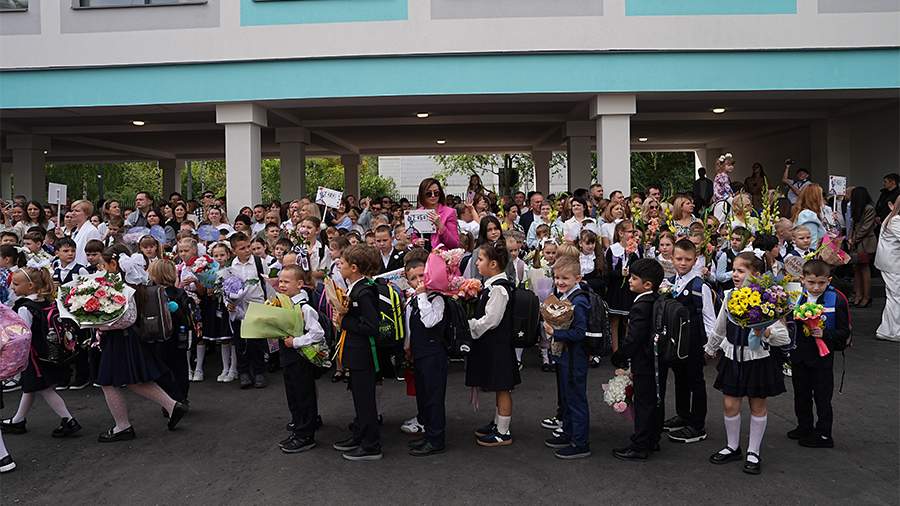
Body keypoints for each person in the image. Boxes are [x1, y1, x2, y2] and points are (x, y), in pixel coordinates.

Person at [705, 252, 790, 474]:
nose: (735, 274)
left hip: (757, 359)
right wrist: (710, 348)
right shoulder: (729, 296)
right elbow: (720, 326)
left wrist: (766, 332)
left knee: (757, 405)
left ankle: (754, 451)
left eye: (741, 271)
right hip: (733, 357)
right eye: (734, 270)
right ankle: (732, 446)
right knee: (729, 404)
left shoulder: (768, 299)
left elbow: (784, 337)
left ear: (757, 275)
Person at [94, 246, 188, 442]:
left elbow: (127, 319)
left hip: (121, 339)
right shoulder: (135, 285)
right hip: (129, 339)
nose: (101, 269)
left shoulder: (123, 288)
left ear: (113, 264)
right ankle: (172, 406)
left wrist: (99, 324)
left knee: (107, 381)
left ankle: (122, 426)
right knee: (135, 379)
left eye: (103, 265)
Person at [0, 268, 82, 439]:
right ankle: (18, 420)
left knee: (44, 388)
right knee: (31, 387)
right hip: (47, 353)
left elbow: (22, 334)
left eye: (16, 284)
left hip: (33, 357)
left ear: (30, 286)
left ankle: (69, 420)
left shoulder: (24, 308)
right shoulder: (45, 301)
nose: (12, 287)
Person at [661, 240, 717, 444]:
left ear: (695, 260)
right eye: (679, 259)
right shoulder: (669, 282)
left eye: (687, 259)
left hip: (694, 342)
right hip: (676, 343)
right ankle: (683, 415)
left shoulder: (699, 286)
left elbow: (709, 318)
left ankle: (697, 425)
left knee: (695, 381)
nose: (683, 263)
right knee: (680, 378)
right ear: (672, 259)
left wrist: (710, 347)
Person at [790, 260, 850, 448]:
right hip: (800, 353)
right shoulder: (795, 296)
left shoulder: (836, 299)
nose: (816, 287)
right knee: (801, 393)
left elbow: (844, 331)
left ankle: (824, 433)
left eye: (821, 283)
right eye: (811, 282)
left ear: (829, 281)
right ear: (802, 279)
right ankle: (804, 426)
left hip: (822, 357)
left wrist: (825, 334)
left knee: (822, 396)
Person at [331, 244, 383, 461]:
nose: (338, 264)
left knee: (365, 400)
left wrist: (344, 322)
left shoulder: (364, 292)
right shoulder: (356, 288)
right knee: (358, 397)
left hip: (363, 353)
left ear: (354, 268)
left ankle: (371, 445)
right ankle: (360, 434)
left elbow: (371, 325)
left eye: (342, 262)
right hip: (356, 352)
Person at [467, 239, 520, 447]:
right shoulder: (493, 286)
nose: (477, 263)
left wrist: (471, 326)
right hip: (495, 346)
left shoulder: (499, 289)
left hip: (500, 347)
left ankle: (503, 432)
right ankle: (498, 423)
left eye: (480, 259)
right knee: (499, 386)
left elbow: (491, 320)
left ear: (493, 264)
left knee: (503, 387)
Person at [610, 258, 663, 460]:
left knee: (643, 403)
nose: (630, 281)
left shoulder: (641, 305)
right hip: (655, 359)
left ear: (647, 284)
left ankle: (640, 445)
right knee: (654, 399)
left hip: (643, 360)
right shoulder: (656, 299)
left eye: (634, 278)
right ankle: (652, 438)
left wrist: (620, 356)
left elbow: (634, 337)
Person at [542, 256, 592, 459]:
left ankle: (580, 443)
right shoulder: (565, 296)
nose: (560, 282)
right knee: (567, 397)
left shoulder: (578, 301)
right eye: (557, 277)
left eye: (565, 278)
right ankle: (569, 433)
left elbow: (580, 333)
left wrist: (555, 332)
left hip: (574, 357)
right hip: (566, 356)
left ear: (577, 278)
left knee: (576, 399)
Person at [277, 265, 325, 454]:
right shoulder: (284, 304)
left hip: (301, 358)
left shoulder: (304, 308)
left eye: (286, 282)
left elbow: (317, 333)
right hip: (288, 358)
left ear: (299, 284)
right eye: (280, 281)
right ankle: (298, 428)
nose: (282, 285)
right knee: (293, 395)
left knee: (304, 395)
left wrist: (296, 342)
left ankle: (306, 434)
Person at [404, 258, 448, 456]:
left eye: (422, 275)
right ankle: (428, 433)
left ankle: (436, 439)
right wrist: (407, 346)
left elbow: (430, 321)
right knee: (423, 396)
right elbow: (409, 326)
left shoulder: (437, 299)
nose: (419, 281)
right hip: (419, 354)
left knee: (434, 398)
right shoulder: (413, 300)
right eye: (413, 278)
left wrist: (422, 296)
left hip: (434, 355)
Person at [227, 232, 270, 389]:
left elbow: (267, 284)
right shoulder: (230, 266)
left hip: (256, 305)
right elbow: (225, 287)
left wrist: (269, 303)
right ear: (234, 251)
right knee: (240, 342)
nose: (247, 250)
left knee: (256, 341)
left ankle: (259, 372)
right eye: (242, 248)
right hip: (238, 308)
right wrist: (228, 303)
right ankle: (243, 372)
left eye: (248, 247)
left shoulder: (259, 262)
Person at [148, 259, 194, 404]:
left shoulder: (152, 293)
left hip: (160, 337)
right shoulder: (179, 293)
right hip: (178, 336)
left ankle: (171, 400)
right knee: (180, 367)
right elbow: (186, 317)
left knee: (164, 369)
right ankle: (181, 398)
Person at [605, 220, 640, 352]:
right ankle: (615, 350)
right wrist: (619, 273)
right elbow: (607, 272)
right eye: (630, 232)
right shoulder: (613, 249)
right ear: (621, 233)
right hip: (616, 289)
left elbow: (639, 267)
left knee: (628, 320)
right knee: (614, 320)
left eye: (634, 232)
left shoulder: (637, 249)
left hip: (630, 289)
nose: (633, 234)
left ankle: (626, 350)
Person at [847, 187, 877, 307]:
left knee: (864, 269)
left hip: (865, 243)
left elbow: (866, 228)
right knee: (857, 269)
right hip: (857, 243)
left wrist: (853, 239)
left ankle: (866, 297)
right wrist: (850, 238)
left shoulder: (869, 209)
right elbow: (853, 225)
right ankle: (858, 296)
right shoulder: (857, 208)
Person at [876, 195, 900, 341]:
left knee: (894, 297)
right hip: (893, 264)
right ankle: (890, 331)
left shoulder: (892, 217)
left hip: (890, 263)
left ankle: (888, 329)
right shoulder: (896, 220)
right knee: (896, 298)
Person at [412, 178, 459, 251]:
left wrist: (440, 226)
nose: (433, 196)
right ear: (422, 195)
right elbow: (413, 238)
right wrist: (416, 242)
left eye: (436, 193)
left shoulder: (449, 212)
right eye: (429, 194)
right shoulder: (417, 213)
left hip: (441, 255)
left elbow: (454, 244)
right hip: (422, 255)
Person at [68, 199, 102, 266]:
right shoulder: (75, 231)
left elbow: (95, 255)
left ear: (87, 214)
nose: (73, 213)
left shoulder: (91, 231)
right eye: (72, 210)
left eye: (77, 211)